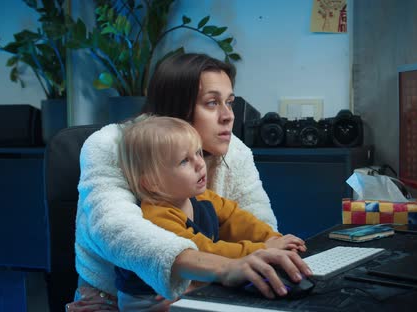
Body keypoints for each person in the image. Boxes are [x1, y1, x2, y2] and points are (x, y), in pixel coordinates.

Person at [70, 53, 310, 311]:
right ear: (175, 108)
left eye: (229, 102)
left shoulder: (234, 150)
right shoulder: (112, 144)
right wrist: (221, 268)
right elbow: (115, 227)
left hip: (206, 288)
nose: (228, 115)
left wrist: (272, 244)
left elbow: (252, 219)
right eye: (211, 103)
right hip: (119, 301)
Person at [114, 115, 306, 309]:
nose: (199, 164)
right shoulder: (155, 216)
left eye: (198, 153)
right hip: (148, 301)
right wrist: (265, 250)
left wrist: (272, 238)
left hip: (192, 282)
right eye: (184, 161)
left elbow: (237, 219)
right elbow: (203, 250)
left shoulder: (202, 197)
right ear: (152, 182)